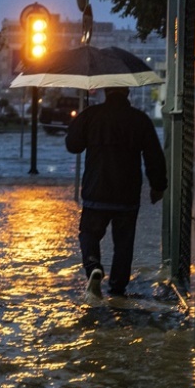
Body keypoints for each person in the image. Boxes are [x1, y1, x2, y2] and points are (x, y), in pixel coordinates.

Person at [65, 86, 167, 298]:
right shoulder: (140, 120)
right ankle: (118, 290)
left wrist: (80, 122)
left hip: (96, 191)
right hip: (127, 194)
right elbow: (154, 157)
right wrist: (158, 186)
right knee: (124, 243)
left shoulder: (92, 116)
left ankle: (93, 264)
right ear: (127, 91)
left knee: (89, 233)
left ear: (105, 90)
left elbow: (73, 145)